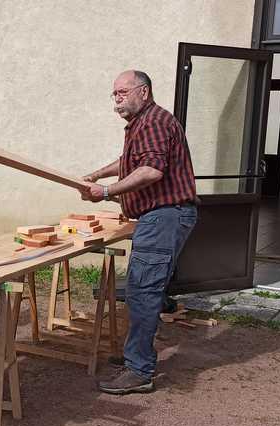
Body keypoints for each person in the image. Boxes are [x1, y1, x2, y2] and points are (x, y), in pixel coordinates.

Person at [78, 70, 199, 395]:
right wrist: (96, 175)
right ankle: (137, 356)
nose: (117, 98)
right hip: (160, 217)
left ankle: (139, 370)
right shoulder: (144, 123)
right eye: (114, 93)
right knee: (142, 289)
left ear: (143, 92)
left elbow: (151, 170)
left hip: (164, 216)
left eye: (123, 92)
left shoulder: (154, 122)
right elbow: (130, 161)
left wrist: (105, 191)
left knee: (143, 290)